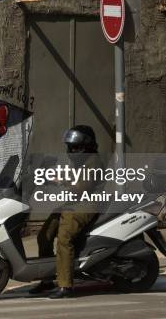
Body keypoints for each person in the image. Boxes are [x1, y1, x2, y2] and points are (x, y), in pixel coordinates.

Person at [29, 125, 103, 298]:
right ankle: (47, 280)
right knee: (44, 235)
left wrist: (60, 181)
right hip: (72, 203)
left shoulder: (93, 161)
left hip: (86, 205)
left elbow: (80, 187)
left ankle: (66, 286)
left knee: (64, 238)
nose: (71, 150)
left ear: (86, 146)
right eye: (70, 147)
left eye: (75, 147)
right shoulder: (80, 160)